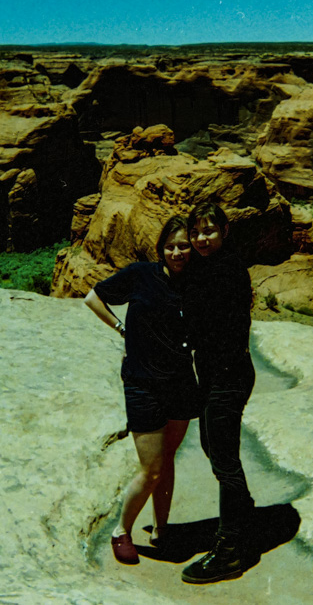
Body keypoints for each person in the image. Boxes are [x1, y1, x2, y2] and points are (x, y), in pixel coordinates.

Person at [84, 215, 201, 565]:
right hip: (143, 383)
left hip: (180, 384)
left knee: (167, 461)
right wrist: (122, 329)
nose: (177, 252)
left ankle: (161, 528)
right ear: (161, 248)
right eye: (170, 246)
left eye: (183, 245)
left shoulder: (196, 282)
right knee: (150, 468)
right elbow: (92, 298)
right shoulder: (141, 275)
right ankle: (122, 531)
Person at [180, 202, 256, 585]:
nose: (201, 239)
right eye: (195, 233)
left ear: (224, 231)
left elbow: (212, 326)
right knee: (214, 449)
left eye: (208, 231)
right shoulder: (204, 267)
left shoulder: (227, 270)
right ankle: (243, 518)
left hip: (228, 375)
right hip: (213, 375)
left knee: (224, 460)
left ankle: (230, 551)